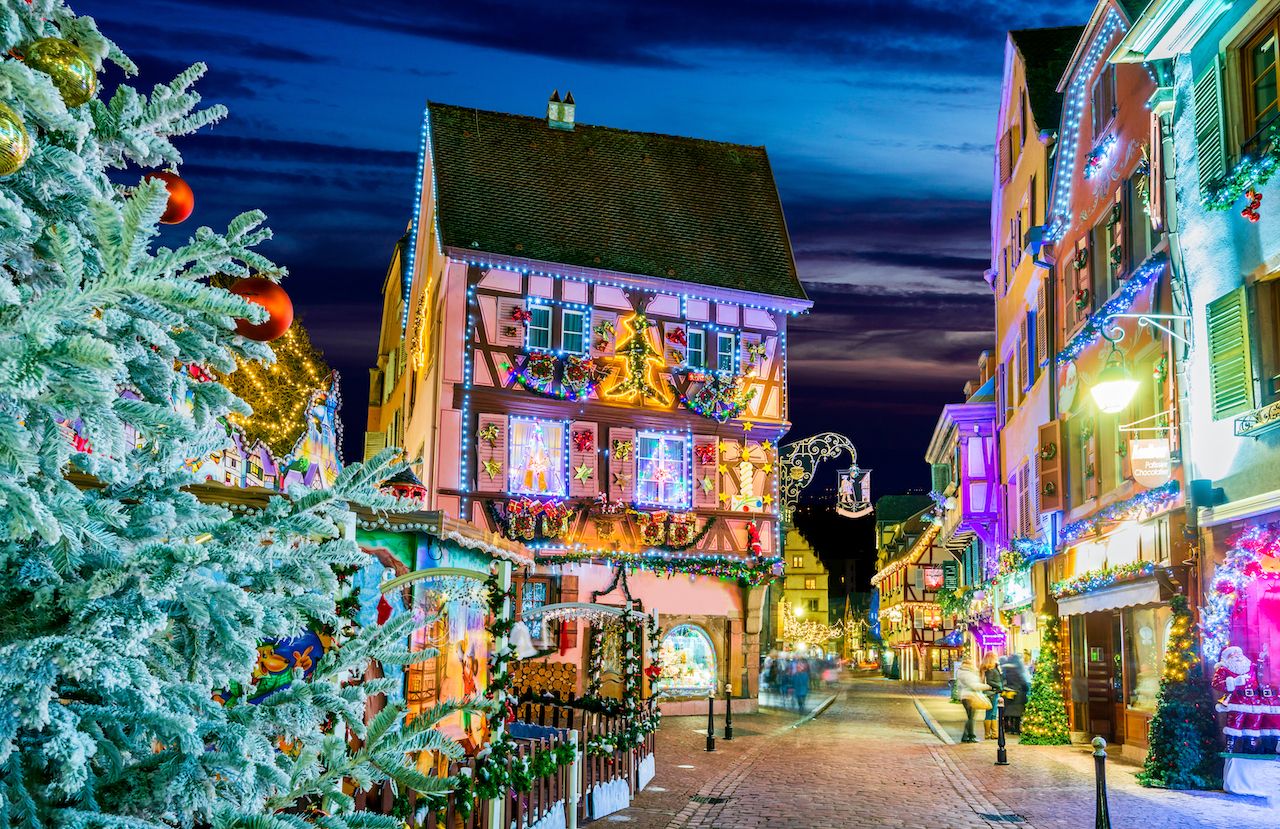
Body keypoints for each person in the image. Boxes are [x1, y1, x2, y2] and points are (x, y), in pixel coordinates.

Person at [955, 657, 989, 743]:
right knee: (971, 717)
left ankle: (966, 736)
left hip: (966, 696)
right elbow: (974, 685)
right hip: (969, 696)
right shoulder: (967, 673)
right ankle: (970, 736)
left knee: (970, 717)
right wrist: (987, 687)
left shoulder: (963, 672)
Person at [1000, 654, 1030, 735]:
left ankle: (1007, 728)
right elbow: (1023, 682)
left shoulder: (1005, 669)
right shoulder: (1018, 670)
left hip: (1007, 693)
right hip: (1017, 693)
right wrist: (1026, 689)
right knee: (1017, 713)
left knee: (1007, 712)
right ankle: (1016, 728)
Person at [980, 652, 1005, 740]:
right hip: (991, 693)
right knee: (990, 713)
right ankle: (989, 733)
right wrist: (999, 686)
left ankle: (994, 733)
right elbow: (990, 681)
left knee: (993, 713)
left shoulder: (994, 667)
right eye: (995, 657)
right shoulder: (990, 669)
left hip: (994, 692)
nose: (997, 658)